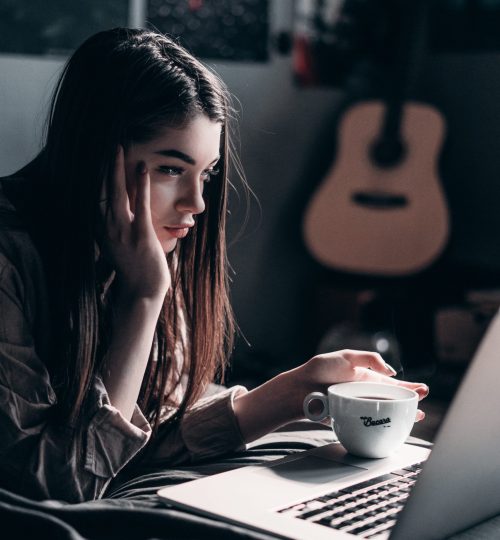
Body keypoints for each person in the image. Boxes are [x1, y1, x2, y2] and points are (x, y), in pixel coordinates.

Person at [0, 27, 428, 504]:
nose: (197, 202)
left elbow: (141, 439)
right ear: (93, 153)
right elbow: (60, 488)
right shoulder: (14, 262)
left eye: (206, 173)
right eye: (170, 169)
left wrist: (296, 390)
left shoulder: (146, 247)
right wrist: (144, 298)